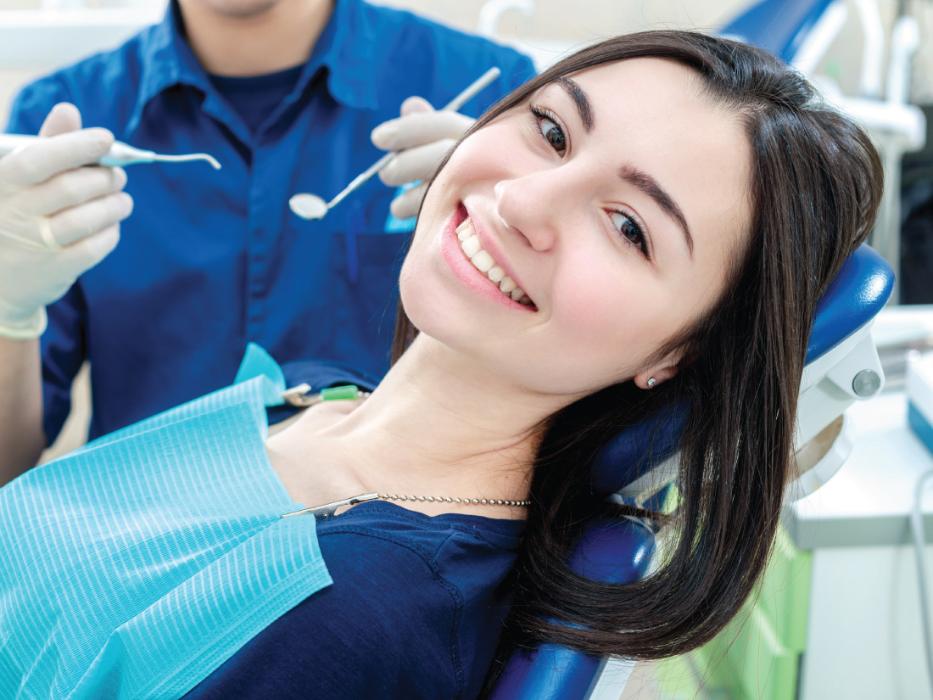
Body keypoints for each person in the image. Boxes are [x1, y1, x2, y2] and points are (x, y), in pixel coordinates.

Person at [0, 30, 882, 699]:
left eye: (627, 227)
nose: (523, 201)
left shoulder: (347, 612)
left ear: (678, 353)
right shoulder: (311, 394)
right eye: (549, 130)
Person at [0, 0, 536, 479]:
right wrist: (8, 306)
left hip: (403, 553)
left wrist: (505, 236)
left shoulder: (490, 92)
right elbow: (8, 463)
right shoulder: (64, 116)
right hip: (141, 564)